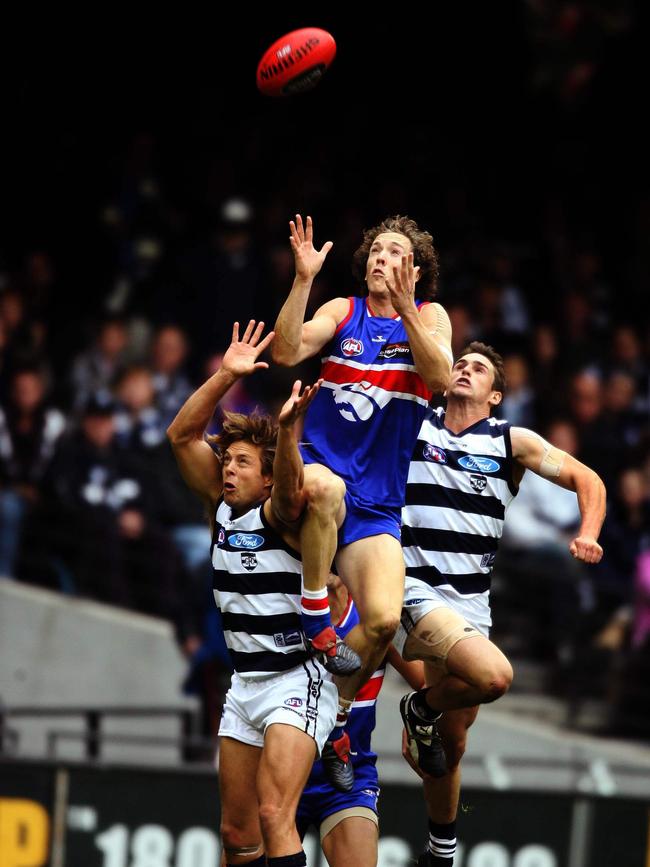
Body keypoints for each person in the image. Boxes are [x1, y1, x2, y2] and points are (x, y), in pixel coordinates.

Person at [394, 341, 606, 867]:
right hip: (415, 586)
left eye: (479, 368)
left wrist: (589, 533)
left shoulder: (511, 440)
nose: (465, 369)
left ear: (495, 395)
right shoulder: (417, 420)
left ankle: (440, 848)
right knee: (495, 678)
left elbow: (589, 479)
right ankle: (415, 705)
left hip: (472, 603)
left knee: (452, 742)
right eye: (460, 363)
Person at [272, 214, 453, 787]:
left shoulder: (429, 317)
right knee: (324, 485)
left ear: (414, 271)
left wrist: (406, 310)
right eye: (375, 250)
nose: (380, 258)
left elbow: (441, 376)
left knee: (379, 622)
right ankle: (314, 614)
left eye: (394, 252)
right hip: (322, 481)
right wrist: (302, 281)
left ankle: (335, 721)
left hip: (379, 505)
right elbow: (285, 351)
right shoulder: (341, 310)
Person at [167, 320, 343, 867]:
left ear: (266, 480)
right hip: (246, 684)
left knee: (274, 816)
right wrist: (225, 375)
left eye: (242, 462)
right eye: (227, 460)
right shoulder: (219, 507)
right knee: (237, 834)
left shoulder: (280, 512)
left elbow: (294, 489)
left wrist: (287, 436)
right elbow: (179, 436)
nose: (228, 469)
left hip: (295, 678)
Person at [297, 573, 426, 867]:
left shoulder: (375, 616)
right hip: (280, 771)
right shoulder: (281, 605)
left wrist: (422, 716)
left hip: (349, 776)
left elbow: (426, 683)